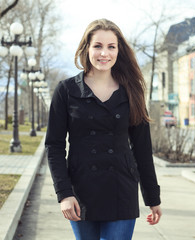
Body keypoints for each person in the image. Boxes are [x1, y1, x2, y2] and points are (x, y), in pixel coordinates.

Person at [45, 19, 162, 240]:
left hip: (121, 189)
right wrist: (64, 194)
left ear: (119, 51)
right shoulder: (66, 91)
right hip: (81, 190)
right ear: (86, 48)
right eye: (98, 46)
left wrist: (152, 198)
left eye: (111, 47)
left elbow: (143, 149)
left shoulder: (132, 91)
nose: (104, 53)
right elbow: (54, 146)